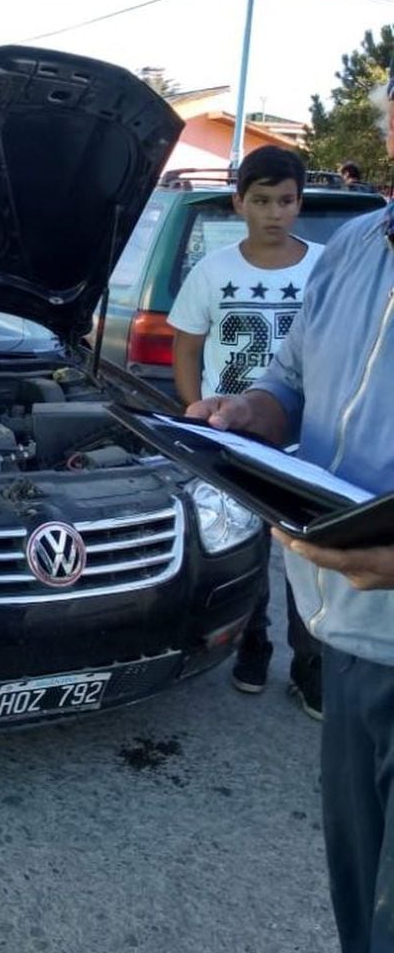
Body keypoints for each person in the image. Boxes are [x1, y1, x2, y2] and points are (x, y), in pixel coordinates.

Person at [199, 75, 394, 953]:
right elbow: (297, 377)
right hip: (349, 625)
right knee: (364, 895)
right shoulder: (360, 243)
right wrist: (250, 410)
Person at [168, 145, 323, 717]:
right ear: (240, 203)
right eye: (261, 200)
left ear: (298, 203)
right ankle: (250, 651)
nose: (274, 213)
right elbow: (187, 345)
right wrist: (198, 411)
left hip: (312, 441)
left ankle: (312, 668)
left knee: (310, 556)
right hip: (235, 440)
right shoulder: (213, 272)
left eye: (285, 200)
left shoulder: (326, 266)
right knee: (242, 548)